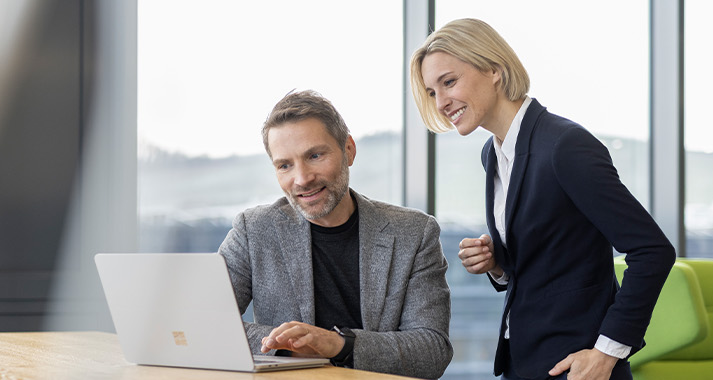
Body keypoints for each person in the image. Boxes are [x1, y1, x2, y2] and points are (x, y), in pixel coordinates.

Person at [409, 19, 676, 380]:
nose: (441, 102)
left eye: (449, 82)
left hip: (577, 367)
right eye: (431, 93)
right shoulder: (494, 154)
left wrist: (606, 353)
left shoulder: (565, 146)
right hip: (523, 361)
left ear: (494, 70)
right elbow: (545, 263)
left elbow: (652, 251)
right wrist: (497, 265)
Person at [217, 90, 453, 379]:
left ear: (349, 150)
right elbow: (205, 321)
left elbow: (431, 350)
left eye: (315, 155)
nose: (302, 179)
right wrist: (290, 345)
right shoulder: (253, 231)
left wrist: (338, 344)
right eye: (285, 165)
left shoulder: (414, 233)